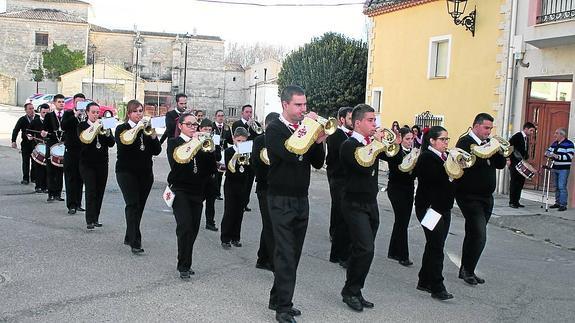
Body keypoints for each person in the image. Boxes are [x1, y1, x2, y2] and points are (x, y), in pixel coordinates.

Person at [265, 85, 326, 323]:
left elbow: (318, 163)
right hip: (280, 198)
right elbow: (291, 153)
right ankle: (283, 307)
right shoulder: (275, 129)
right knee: (286, 253)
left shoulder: (304, 130)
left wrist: (319, 140)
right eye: (298, 105)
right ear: (285, 105)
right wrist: (308, 128)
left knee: (294, 252)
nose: (304, 109)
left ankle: (276, 297)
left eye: (305, 105)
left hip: (302, 198)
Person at [339, 104, 390, 312]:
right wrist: (376, 144)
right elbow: (361, 163)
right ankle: (350, 291)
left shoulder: (373, 144)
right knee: (365, 248)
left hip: (371, 202)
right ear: (358, 122)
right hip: (353, 203)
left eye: (375, 120)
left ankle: (355, 289)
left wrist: (393, 143)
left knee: (363, 251)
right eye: (370, 120)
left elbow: (393, 157)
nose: (374, 124)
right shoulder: (349, 145)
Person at [455, 113, 506, 286]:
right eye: (486, 128)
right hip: (469, 196)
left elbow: (500, 164)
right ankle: (468, 270)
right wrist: (486, 150)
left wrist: (497, 149)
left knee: (473, 233)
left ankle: (466, 268)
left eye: (490, 128)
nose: (488, 131)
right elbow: (466, 164)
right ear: (476, 126)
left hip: (486, 197)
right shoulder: (464, 142)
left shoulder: (489, 143)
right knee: (479, 235)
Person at [167, 113, 213, 279]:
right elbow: (176, 164)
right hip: (180, 190)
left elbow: (209, 168)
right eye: (190, 124)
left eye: (195, 125)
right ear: (180, 126)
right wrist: (194, 143)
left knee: (193, 228)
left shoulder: (202, 143)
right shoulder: (174, 143)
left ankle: (186, 260)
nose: (194, 127)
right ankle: (183, 265)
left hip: (197, 191)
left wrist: (211, 151)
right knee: (185, 226)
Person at [115, 100, 162, 254]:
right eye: (135, 111)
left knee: (139, 207)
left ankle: (129, 235)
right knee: (132, 205)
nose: (139, 114)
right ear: (129, 113)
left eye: (141, 111)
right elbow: (124, 147)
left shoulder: (147, 130)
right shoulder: (122, 129)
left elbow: (156, 151)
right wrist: (137, 129)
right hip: (126, 172)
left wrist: (154, 136)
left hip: (145, 174)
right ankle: (135, 241)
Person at [414, 126, 455, 301]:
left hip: (443, 208)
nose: (446, 143)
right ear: (432, 141)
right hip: (430, 209)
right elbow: (437, 180)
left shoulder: (444, 157)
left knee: (434, 244)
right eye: (443, 139)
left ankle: (424, 280)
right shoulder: (427, 158)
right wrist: (452, 172)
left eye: (447, 139)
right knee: (437, 246)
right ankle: (437, 287)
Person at [78, 102, 115, 230]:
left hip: (102, 163)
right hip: (87, 163)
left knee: (99, 190)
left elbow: (111, 143)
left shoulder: (104, 125)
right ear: (87, 113)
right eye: (93, 112)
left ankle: (96, 218)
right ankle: (89, 219)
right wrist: (94, 127)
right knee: (91, 190)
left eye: (97, 112)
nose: (95, 115)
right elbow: (83, 141)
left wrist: (108, 132)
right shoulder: (82, 126)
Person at [252, 112, 280, 272]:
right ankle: (271, 260)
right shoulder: (259, 140)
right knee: (270, 225)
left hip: (277, 188)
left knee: (271, 224)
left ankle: (262, 258)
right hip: (264, 188)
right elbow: (257, 165)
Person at [326, 106, 353, 268]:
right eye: (350, 118)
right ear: (342, 119)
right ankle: (339, 254)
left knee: (343, 216)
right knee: (341, 215)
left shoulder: (352, 135)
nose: (353, 121)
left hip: (349, 180)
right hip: (338, 178)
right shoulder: (336, 134)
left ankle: (339, 251)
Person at [385, 127, 416, 267]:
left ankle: (393, 251)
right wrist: (396, 145)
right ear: (401, 139)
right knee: (402, 221)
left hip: (409, 189)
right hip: (396, 189)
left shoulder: (414, 152)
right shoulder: (395, 151)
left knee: (401, 221)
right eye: (407, 139)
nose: (410, 141)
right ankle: (403, 255)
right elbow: (396, 164)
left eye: (411, 139)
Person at [220, 127, 251, 249]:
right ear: (233, 139)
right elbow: (225, 168)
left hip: (243, 183)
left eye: (243, 141)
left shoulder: (248, 151)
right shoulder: (228, 151)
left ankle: (235, 237)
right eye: (238, 140)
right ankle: (225, 238)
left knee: (239, 211)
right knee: (229, 211)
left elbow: (250, 169)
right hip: (231, 183)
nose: (241, 143)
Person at [232, 104, 263, 212]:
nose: (249, 114)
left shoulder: (256, 124)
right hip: (241, 154)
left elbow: (260, 136)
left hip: (252, 156)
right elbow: (238, 137)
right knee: (240, 180)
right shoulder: (237, 124)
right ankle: (238, 202)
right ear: (242, 113)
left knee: (249, 181)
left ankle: (245, 203)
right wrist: (247, 127)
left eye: (250, 112)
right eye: (247, 112)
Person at [61, 93, 86, 214]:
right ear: (74, 102)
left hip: (82, 151)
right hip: (70, 150)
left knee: (80, 178)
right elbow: (64, 126)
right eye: (78, 102)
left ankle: (78, 203)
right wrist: (75, 115)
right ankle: (71, 204)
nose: (80, 104)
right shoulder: (68, 114)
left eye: (83, 101)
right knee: (71, 178)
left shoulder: (86, 115)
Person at [41, 94, 66, 202]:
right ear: (55, 103)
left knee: (60, 171)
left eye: (63, 102)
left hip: (62, 145)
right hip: (51, 144)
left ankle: (58, 193)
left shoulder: (68, 115)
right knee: (51, 170)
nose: (61, 104)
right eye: (59, 102)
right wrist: (44, 133)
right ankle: (50, 193)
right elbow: (44, 130)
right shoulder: (49, 116)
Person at [198, 118, 221, 231]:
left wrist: (214, 150)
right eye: (205, 129)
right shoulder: (196, 140)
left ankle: (210, 222)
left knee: (211, 200)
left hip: (212, 174)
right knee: (198, 198)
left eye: (209, 129)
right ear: (200, 129)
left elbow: (219, 157)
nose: (207, 132)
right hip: (200, 174)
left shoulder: (214, 139)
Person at [508, 122, 536, 208]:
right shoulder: (517, 136)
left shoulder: (526, 138)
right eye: (531, 130)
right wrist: (508, 159)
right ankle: (512, 202)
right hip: (515, 162)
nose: (532, 133)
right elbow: (509, 147)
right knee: (514, 182)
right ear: (526, 129)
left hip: (522, 162)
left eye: (533, 131)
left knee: (520, 182)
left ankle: (517, 201)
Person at [545, 128, 574, 211]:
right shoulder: (555, 143)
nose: (555, 135)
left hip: (563, 169)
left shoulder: (569, 144)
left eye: (556, 133)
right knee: (556, 186)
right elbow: (547, 151)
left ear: (562, 135)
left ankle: (563, 204)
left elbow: (570, 156)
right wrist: (548, 154)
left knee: (562, 186)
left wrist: (557, 156)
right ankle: (557, 203)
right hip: (555, 167)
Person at [11, 103, 37, 185]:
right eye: (30, 109)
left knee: (35, 162)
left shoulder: (37, 118)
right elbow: (16, 130)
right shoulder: (22, 119)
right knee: (26, 161)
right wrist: (13, 141)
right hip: (26, 144)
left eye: (33, 108)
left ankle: (34, 177)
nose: (32, 110)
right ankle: (25, 178)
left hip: (35, 144)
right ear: (25, 110)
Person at [212, 109, 232, 200]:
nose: (221, 117)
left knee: (221, 172)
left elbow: (230, 140)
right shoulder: (212, 126)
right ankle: (213, 191)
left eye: (222, 116)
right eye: (219, 116)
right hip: (215, 151)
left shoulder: (227, 127)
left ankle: (218, 193)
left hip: (224, 152)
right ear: (215, 117)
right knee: (215, 173)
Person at [30, 104, 50, 193]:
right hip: (38, 146)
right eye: (43, 112)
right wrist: (29, 136)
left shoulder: (52, 121)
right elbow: (29, 131)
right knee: (38, 168)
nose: (45, 114)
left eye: (47, 112)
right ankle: (38, 186)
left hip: (49, 146)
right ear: (40, 112)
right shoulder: (35, 121)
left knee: (47, 168)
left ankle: (45, 186)